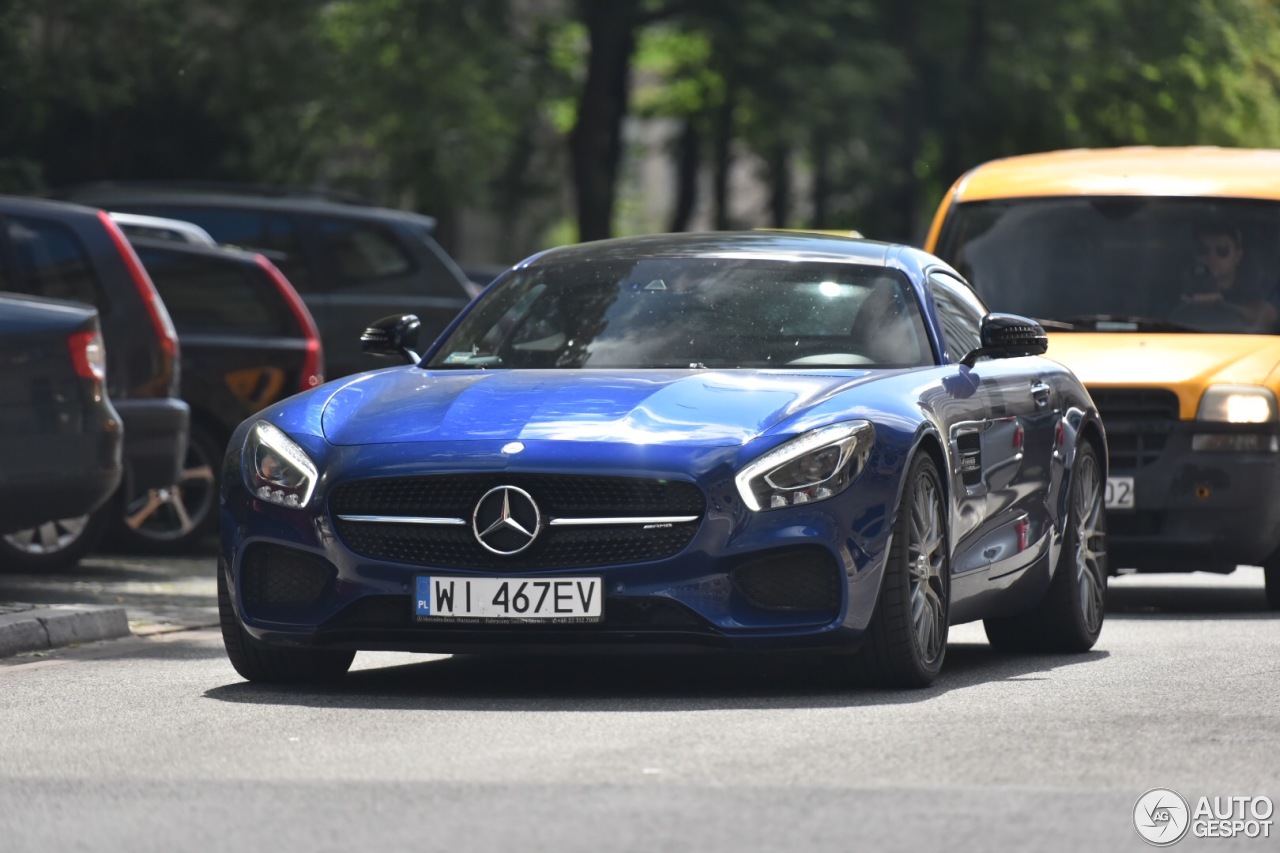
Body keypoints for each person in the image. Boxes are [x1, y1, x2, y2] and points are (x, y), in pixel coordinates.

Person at [1176, 220, 1277, 331]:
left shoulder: (1257, 290)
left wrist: (1221, 305)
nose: (1212, 257)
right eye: (1203, 250)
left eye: (1222, 251)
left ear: (1238, 255)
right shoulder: (1176, 289)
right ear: (1194, 254)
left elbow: (1264, 317)